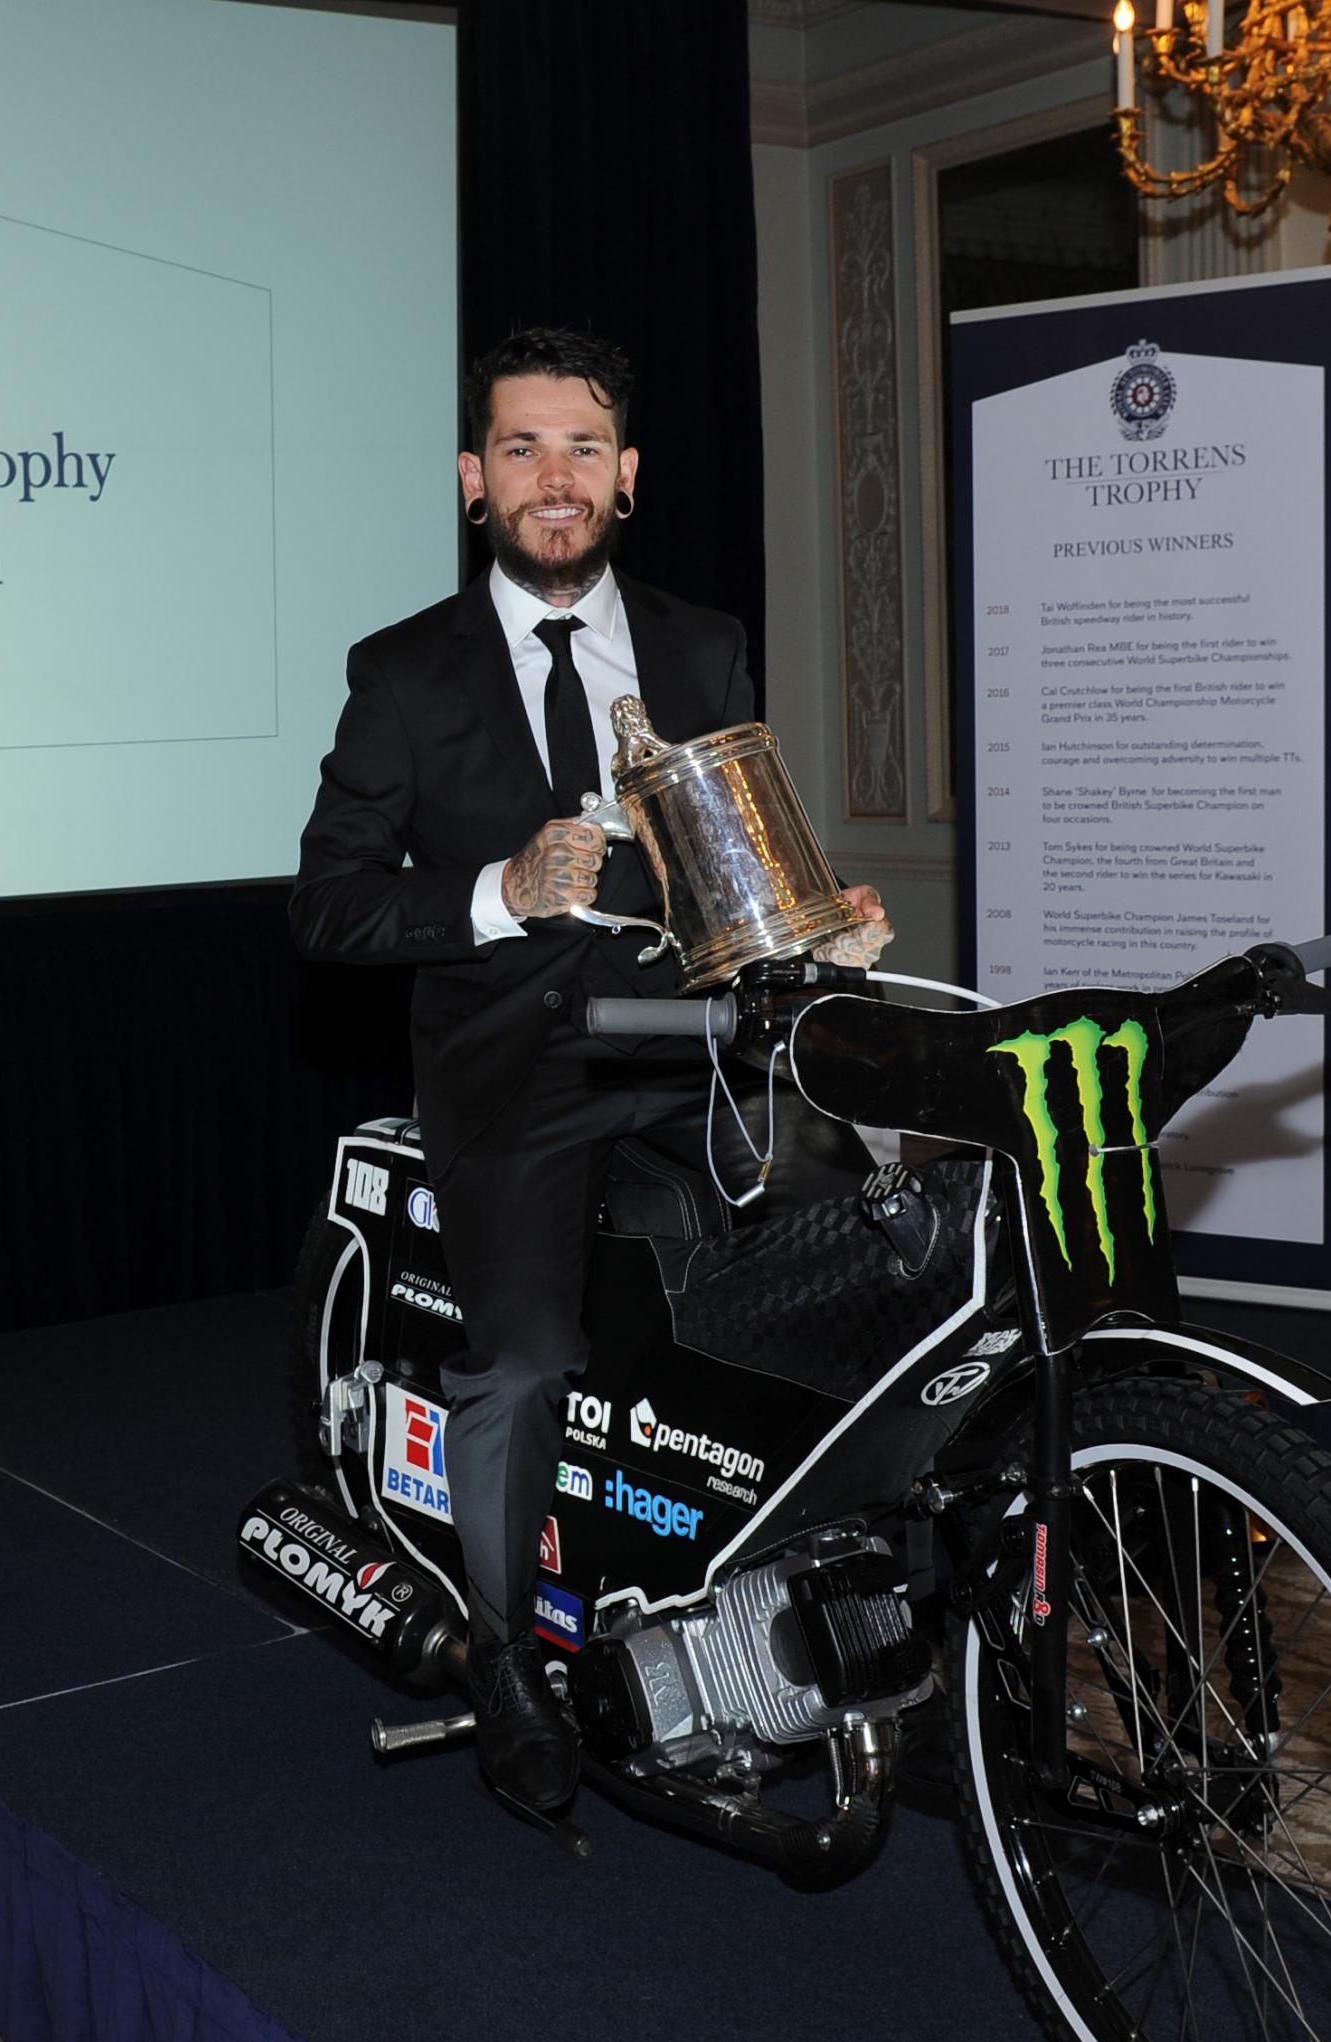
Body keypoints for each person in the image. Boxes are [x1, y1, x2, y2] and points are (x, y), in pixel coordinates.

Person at [290, 328, 885, 1822]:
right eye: (519, 451)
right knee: (531, 1358)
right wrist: (497, 886)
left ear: (626, 477)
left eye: (580, 452)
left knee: (858, 1264)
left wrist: (820, 922)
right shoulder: (404, 675)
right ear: (472, 481)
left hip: (700, 1052)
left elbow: (743, 854)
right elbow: (330, 907)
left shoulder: (700, 647)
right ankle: (504, 1655)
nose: (551, 481)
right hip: (512, 1081)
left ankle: (828, 1609)